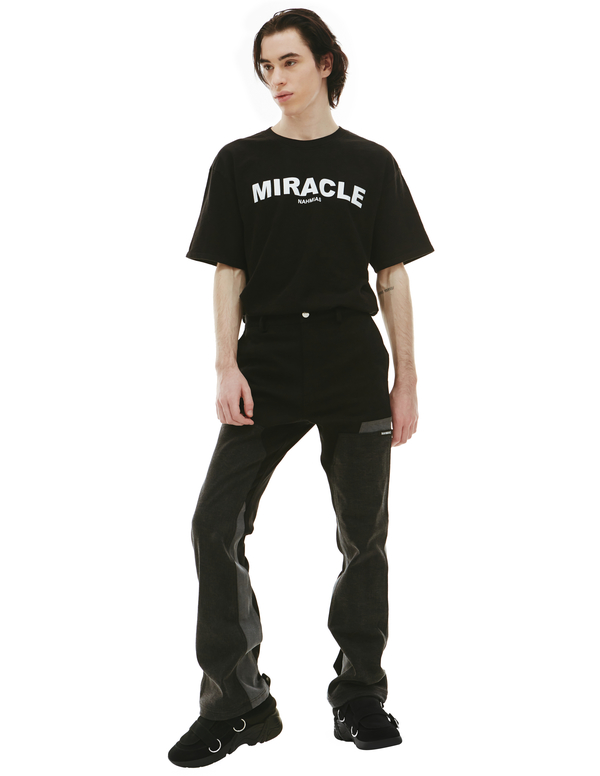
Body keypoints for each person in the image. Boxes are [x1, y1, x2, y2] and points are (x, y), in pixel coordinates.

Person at [168, 8, 434, 768]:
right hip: (270, 366)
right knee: (214, 525)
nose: (275, 79)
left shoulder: (371, 163)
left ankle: (360, 695)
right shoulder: (239, 162)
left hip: (353, 366)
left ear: (324, 64)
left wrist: (407, 379)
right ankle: (240, 705)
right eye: (265, 67)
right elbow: (229, 270)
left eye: (288, 62)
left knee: (364, 538)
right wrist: (225, 364)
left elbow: (392, 275)